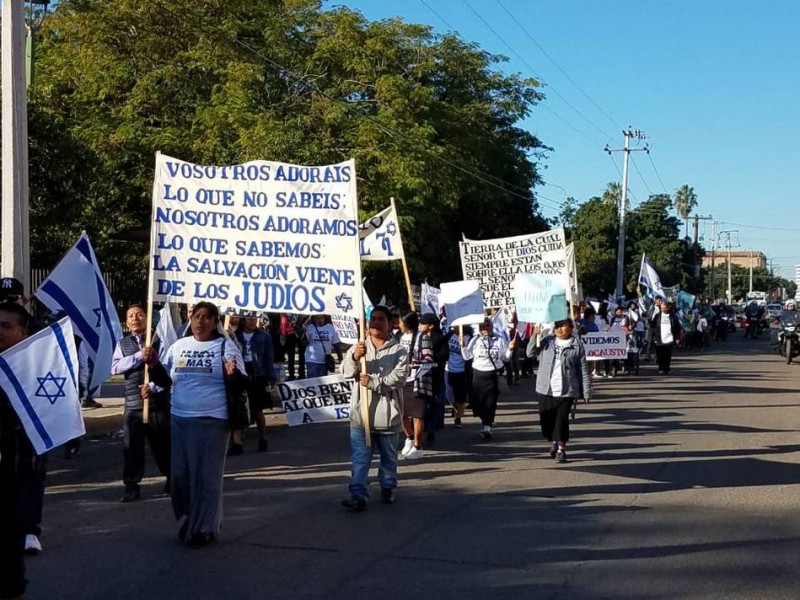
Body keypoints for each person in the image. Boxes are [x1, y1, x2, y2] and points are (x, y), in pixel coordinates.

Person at [143, 301, 246, 548]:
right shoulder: (179, 346)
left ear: (215, 322)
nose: (201, 321)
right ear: (190, 319)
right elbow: (165, 380)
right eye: (197, 316)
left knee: (207, 477)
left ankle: (206, 527)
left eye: (207, 317)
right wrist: (154, 365)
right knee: (179, 475)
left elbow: (242, 384)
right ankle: (192, 517)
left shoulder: (225, 346)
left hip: (213, 419)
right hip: (180, 418)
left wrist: (232, 375)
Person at [341, 305, 408, 511]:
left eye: (381, 319)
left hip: (387, 415)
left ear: (390, 323)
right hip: (361, 414)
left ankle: (387, 486)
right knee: (360, 459)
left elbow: (399, 377)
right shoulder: (359, 347)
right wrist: (354, 358)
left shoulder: (399, 351)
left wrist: (373, 381)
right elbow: (345, 372)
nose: (375, 323)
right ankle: (358, 494)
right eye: (373, 319)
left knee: (389, 457)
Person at [111, 305, 172, 503]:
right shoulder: (123, 344)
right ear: (127, 323)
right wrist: (139, 356)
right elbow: (116, 367)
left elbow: (168, 370)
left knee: (162, 445)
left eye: (139, 314)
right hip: (134, 404)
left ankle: (172, 480)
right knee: (132, 448)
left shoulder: (159, 341)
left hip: (157, 404)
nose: (135, 318)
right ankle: (131, 486)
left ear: (147, 318)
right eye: (130, 316)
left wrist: (153, 387)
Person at [0, 302, 33, 599]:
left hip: (14, 470)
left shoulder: (34, 373)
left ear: (22, 333)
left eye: (6, 326)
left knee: (10, 536)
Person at [527, 318, 591, 463]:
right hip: (545, 389)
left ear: (570, 327)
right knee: (547, 422)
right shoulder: (547, 341)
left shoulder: (577, 345)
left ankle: (561, 449)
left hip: (566, 390)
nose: (559, 329)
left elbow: (582, 369)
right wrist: (534, 336)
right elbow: (530, 353)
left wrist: (586, 391)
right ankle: (554, 441)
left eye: (563, 325)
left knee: (561, 420)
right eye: (556, 326)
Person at [230, 317, 275, 454]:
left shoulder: (264, 336)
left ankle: (263, 438)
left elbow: (269, 357)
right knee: (238, 406)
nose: (253, 322)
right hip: (240, 372)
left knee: (257, 409)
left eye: (255, 319)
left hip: (257, 373)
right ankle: (237, 443)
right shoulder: (235, 336)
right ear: (243, 320)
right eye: (250, 319)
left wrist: (270, 376)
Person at [461, 318, 511, 440]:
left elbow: (506, 358)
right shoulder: (475, 340)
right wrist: (463, 346)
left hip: (493, 374)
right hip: (478, 374)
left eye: (487, 326)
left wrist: (511, 349)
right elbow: (467, 356)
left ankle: (487, 427)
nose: (485, 329)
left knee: (490, 403)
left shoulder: (499, 340)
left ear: (491, 327)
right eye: (483, 327)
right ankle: (485, 419)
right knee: (477, 403)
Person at [398, 312, 430, 459]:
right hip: (402, 380)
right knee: (402, 414)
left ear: (407, 324)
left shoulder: (423, 338)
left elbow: (429, 358)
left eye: (401, 322)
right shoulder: (401, 337)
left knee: (418, 415)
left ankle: (418, 446)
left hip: (417, 381)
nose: (399, 325)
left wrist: (418, 365)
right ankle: (409, 438)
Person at [446, 325, 472, 428]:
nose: (454, 328)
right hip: (448, 369)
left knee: (460, 396)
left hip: (461, 370)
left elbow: (469, 356)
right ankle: (455, 407)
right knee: (449, 395)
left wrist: (463, 346)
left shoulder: (469, 338)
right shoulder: (450, 336)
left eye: (457, 326)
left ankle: (458, 418)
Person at [650, 301, 681, 374]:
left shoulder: (673, 316)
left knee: (667, 355)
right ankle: (661, 368)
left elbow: (677, 327)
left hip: (669, 337)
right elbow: (652, 325)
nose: (663, 309)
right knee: (660, 354)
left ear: (668, 308)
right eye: (662, 308)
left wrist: (676, 337)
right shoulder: (657, 316)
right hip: (659, 337)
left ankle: (667, 368)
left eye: (665, 308)